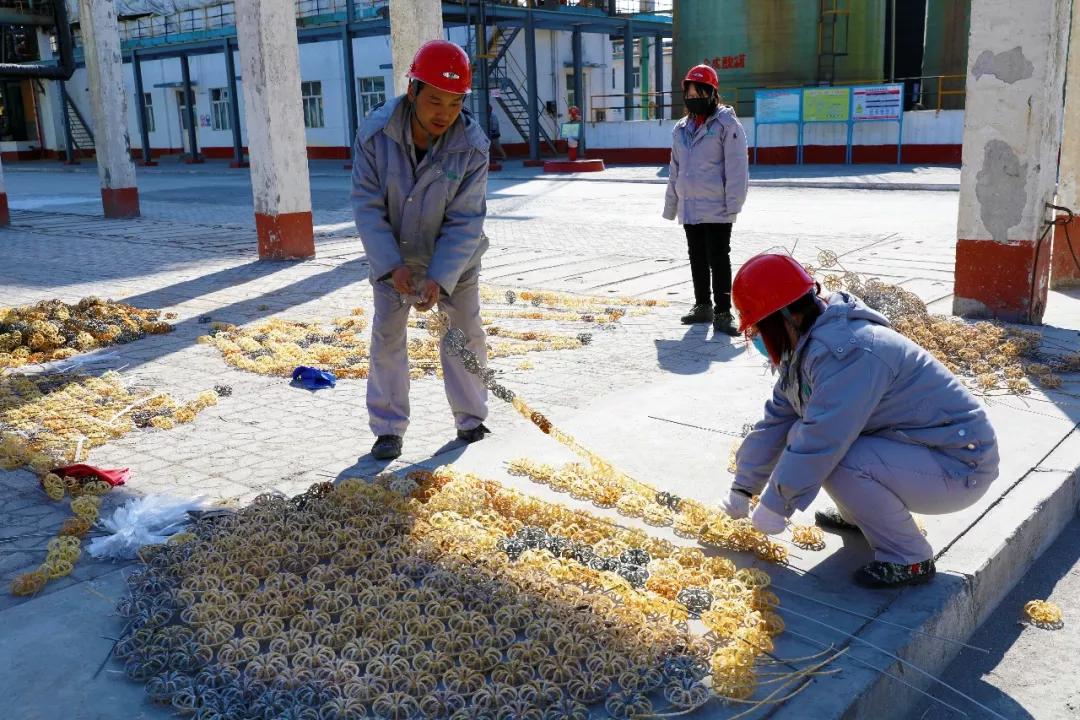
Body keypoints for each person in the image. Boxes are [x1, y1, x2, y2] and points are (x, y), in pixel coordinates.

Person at [720, 254, 999, 588]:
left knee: (837, 458)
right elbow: (776, 422)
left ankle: (909, 557)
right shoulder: (807, 348)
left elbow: (823, 439)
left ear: (786, 317)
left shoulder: (849, 352)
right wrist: (743, 487)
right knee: (805, 434)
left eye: (760, 329)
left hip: (959, 463)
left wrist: (777, 505)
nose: (760, 342)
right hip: (922, 450)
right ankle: (862, 517)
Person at [351, 39, 492, 461]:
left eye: (454, 104)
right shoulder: (375, 135)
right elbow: (367, 206)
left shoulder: (472, 144)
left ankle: (471, 419)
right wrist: (391, 266)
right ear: (411, 90)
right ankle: (388, 428)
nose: (443, 114)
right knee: (388, 336)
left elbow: (466, 220)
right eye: (434, 100)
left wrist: (440, 277)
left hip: (454, 260)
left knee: (464, 331)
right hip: (392, 256)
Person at [663, 64, 749, 336]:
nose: (693, 96)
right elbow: (674, 168)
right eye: (689, 91)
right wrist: (672, 205)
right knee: (696, 257)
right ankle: (703, 306)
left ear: (712, 93)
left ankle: (723, 312)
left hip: (718, 205)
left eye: (699, 91)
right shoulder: (681, 128)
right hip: (690, 206)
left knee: (718, 258)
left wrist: (734, 205)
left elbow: (737, 167)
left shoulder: (727, 124)